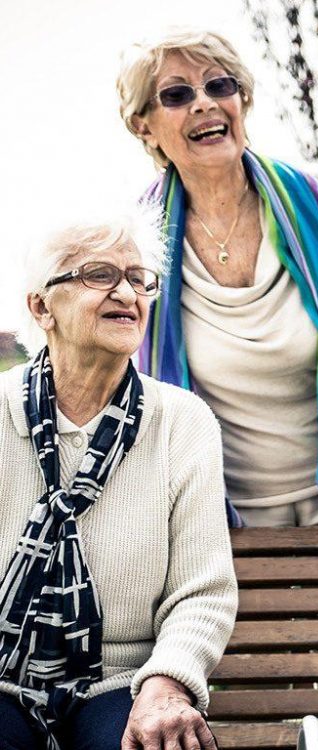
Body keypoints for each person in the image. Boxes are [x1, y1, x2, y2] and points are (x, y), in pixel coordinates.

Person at [116, 29, 318, 528]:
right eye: (177, 94)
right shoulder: (137, 238)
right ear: (144, 126)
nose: (204, 103)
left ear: (241, 100)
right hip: (216, 516)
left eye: (219, 86)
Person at [0, 206, 237, 749]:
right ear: (42, 306)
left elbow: (201, 591)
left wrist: (166, 683)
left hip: (124, 684)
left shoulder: (182, 421)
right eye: (99, 275)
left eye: (138, 279)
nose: (127, 295)